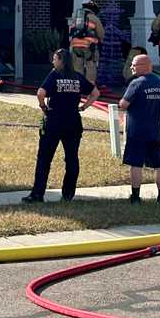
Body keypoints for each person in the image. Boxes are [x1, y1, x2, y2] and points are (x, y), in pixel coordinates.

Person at [22, 48, 99, 204]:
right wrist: (84, 107)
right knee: (71, 159)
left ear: (61, 61)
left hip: (54, 122)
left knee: (44, 158)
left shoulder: (54, 75)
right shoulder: (77, 77)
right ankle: (68, 195)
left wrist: (43, 107)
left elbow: (40, 93)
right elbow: (95, 93)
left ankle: (37, 194)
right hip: (73, 122)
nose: (53, 61)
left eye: (55, 59)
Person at [119, 53, 160, 204]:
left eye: (134, 65)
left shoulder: (137, 83)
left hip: (137, 131)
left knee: (136, 164)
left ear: (143, 66)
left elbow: (124, 104)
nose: (132, 68)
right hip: (155, 131)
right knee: (159, 164)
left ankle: (135, 197)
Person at [68, 1, 104, 84]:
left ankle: (77, 87)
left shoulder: (77, 17)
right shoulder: (94, 18)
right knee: (90, 67)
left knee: (77, 68)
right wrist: (100, 40)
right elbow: (101, 33)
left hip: (76, 46)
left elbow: (71, 31)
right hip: (89, 46)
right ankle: (89, 88)